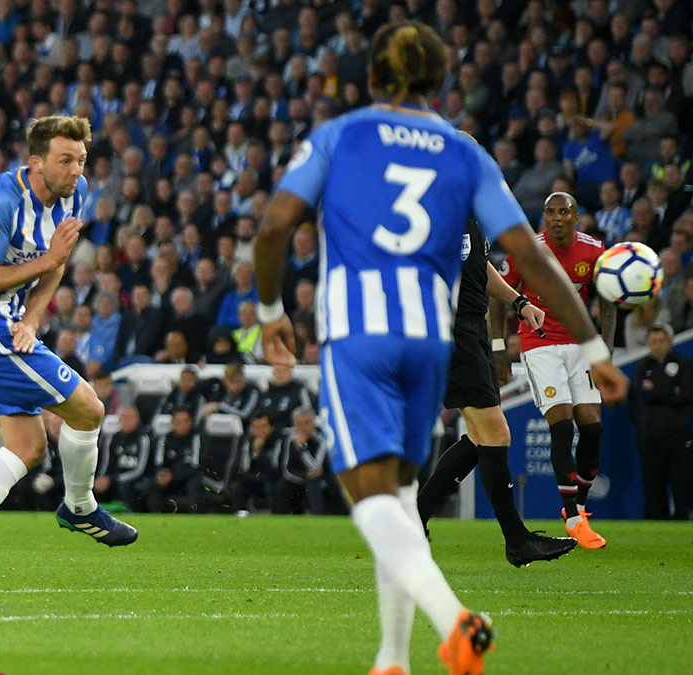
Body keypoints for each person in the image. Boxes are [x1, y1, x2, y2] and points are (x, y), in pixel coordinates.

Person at [253, 23, 627, 675]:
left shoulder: (340, 136)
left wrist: (268, 311)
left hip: (362, 331)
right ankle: (392, 657)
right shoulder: (464, 153)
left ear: (371, 80)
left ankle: (455, 618)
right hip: (433, 336)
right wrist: (593, 342)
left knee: (371, 497)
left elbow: (274, 225)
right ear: (440, 82)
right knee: (399, 497)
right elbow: (534, 257)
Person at [0, 116, 137, 608]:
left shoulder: (74, 192)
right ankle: (80, 507)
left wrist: (35, 317)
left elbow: (57, 264)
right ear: (36, 162)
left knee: (28, 446)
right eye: (65, 159)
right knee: (89, 409)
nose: (76, 169)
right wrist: (45, 264)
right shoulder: (2, 202)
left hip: (8, 329)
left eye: (81, 159)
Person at [416, 219, 578, 567]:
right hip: (452, 330)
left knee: (479, 437)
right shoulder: (432, 209)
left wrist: (519, 302)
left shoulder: (469, 214)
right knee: (495, 433)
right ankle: (517, 541)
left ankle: (414, 519)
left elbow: (479, 266)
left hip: (474, 327)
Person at [495, 191, 617, 549]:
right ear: (544, 218)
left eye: (565, 212)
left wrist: (604, 352)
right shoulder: (527, 249)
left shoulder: (594, 250)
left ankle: (576, 506)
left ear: (576, 217)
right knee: (562, 425)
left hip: (580, 344)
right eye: (550, 212)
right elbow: (497, 296)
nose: (557, 218)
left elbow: (607, 301)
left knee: (592, 428)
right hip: (540, 342)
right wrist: (500, 349)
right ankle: (575, 517)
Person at [629, 323, 693, 520]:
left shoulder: (684, 365)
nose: (657, 345)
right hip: (650, 435)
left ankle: (683, 519)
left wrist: (654, 390)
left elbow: (685, 395)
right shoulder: (642, 367)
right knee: (653, 482)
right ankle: (655, 520)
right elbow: (637, 398)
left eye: (661, 341)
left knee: (682, 481)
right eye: (653, 341)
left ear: (670, 341)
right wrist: (669, 391)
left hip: (678, 434)